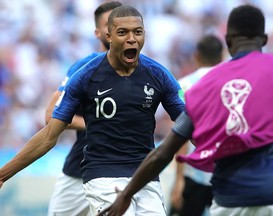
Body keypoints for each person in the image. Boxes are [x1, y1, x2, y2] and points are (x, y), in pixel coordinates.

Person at [97, 4, 273, 216]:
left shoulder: (203, 86)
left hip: (229, 200)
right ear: (264, 39)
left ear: (229, 41)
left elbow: (164, 151)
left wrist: (126, 194)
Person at [0, 5, 185, 216]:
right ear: (108, 35)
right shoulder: (85, 75)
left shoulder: (158, 75)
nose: (132, 39)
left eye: (138, 32)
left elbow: (188, 123)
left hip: (144, 176)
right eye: (123, 32)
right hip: (102, 174)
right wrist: (3, 174)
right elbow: (49, 133)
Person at [45, 2, 122, 216]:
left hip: (124, 173)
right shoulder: (84, 68)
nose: (115, 29)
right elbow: (51, 114)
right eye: (109, 24)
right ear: (97, 32)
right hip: (80, 171)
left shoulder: (147, 71)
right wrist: (94, 122)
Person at [169, 34, 223, 216]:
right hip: (224, 171)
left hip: (194, 172)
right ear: (222, 56)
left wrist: (178, 180)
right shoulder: (230, 83)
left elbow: (181, 135)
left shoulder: (184, 85)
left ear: (196, 56)